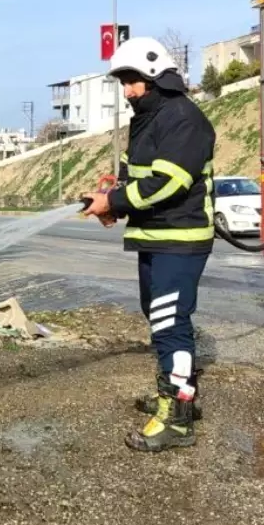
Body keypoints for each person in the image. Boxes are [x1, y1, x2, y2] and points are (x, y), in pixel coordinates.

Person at [81, 36, 217, 453]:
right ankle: (176, 398)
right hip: (155, 238)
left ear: (156, 76)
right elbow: (134, 178)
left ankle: (177, 422)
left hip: (180, 240)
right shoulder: (147, 120)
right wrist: (110, 203)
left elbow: (169, 182)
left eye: (132, 80)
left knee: (170, 323)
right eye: (124, 81)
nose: (127, 90)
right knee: (159, 319)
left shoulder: (182, 118)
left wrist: (117, 200)